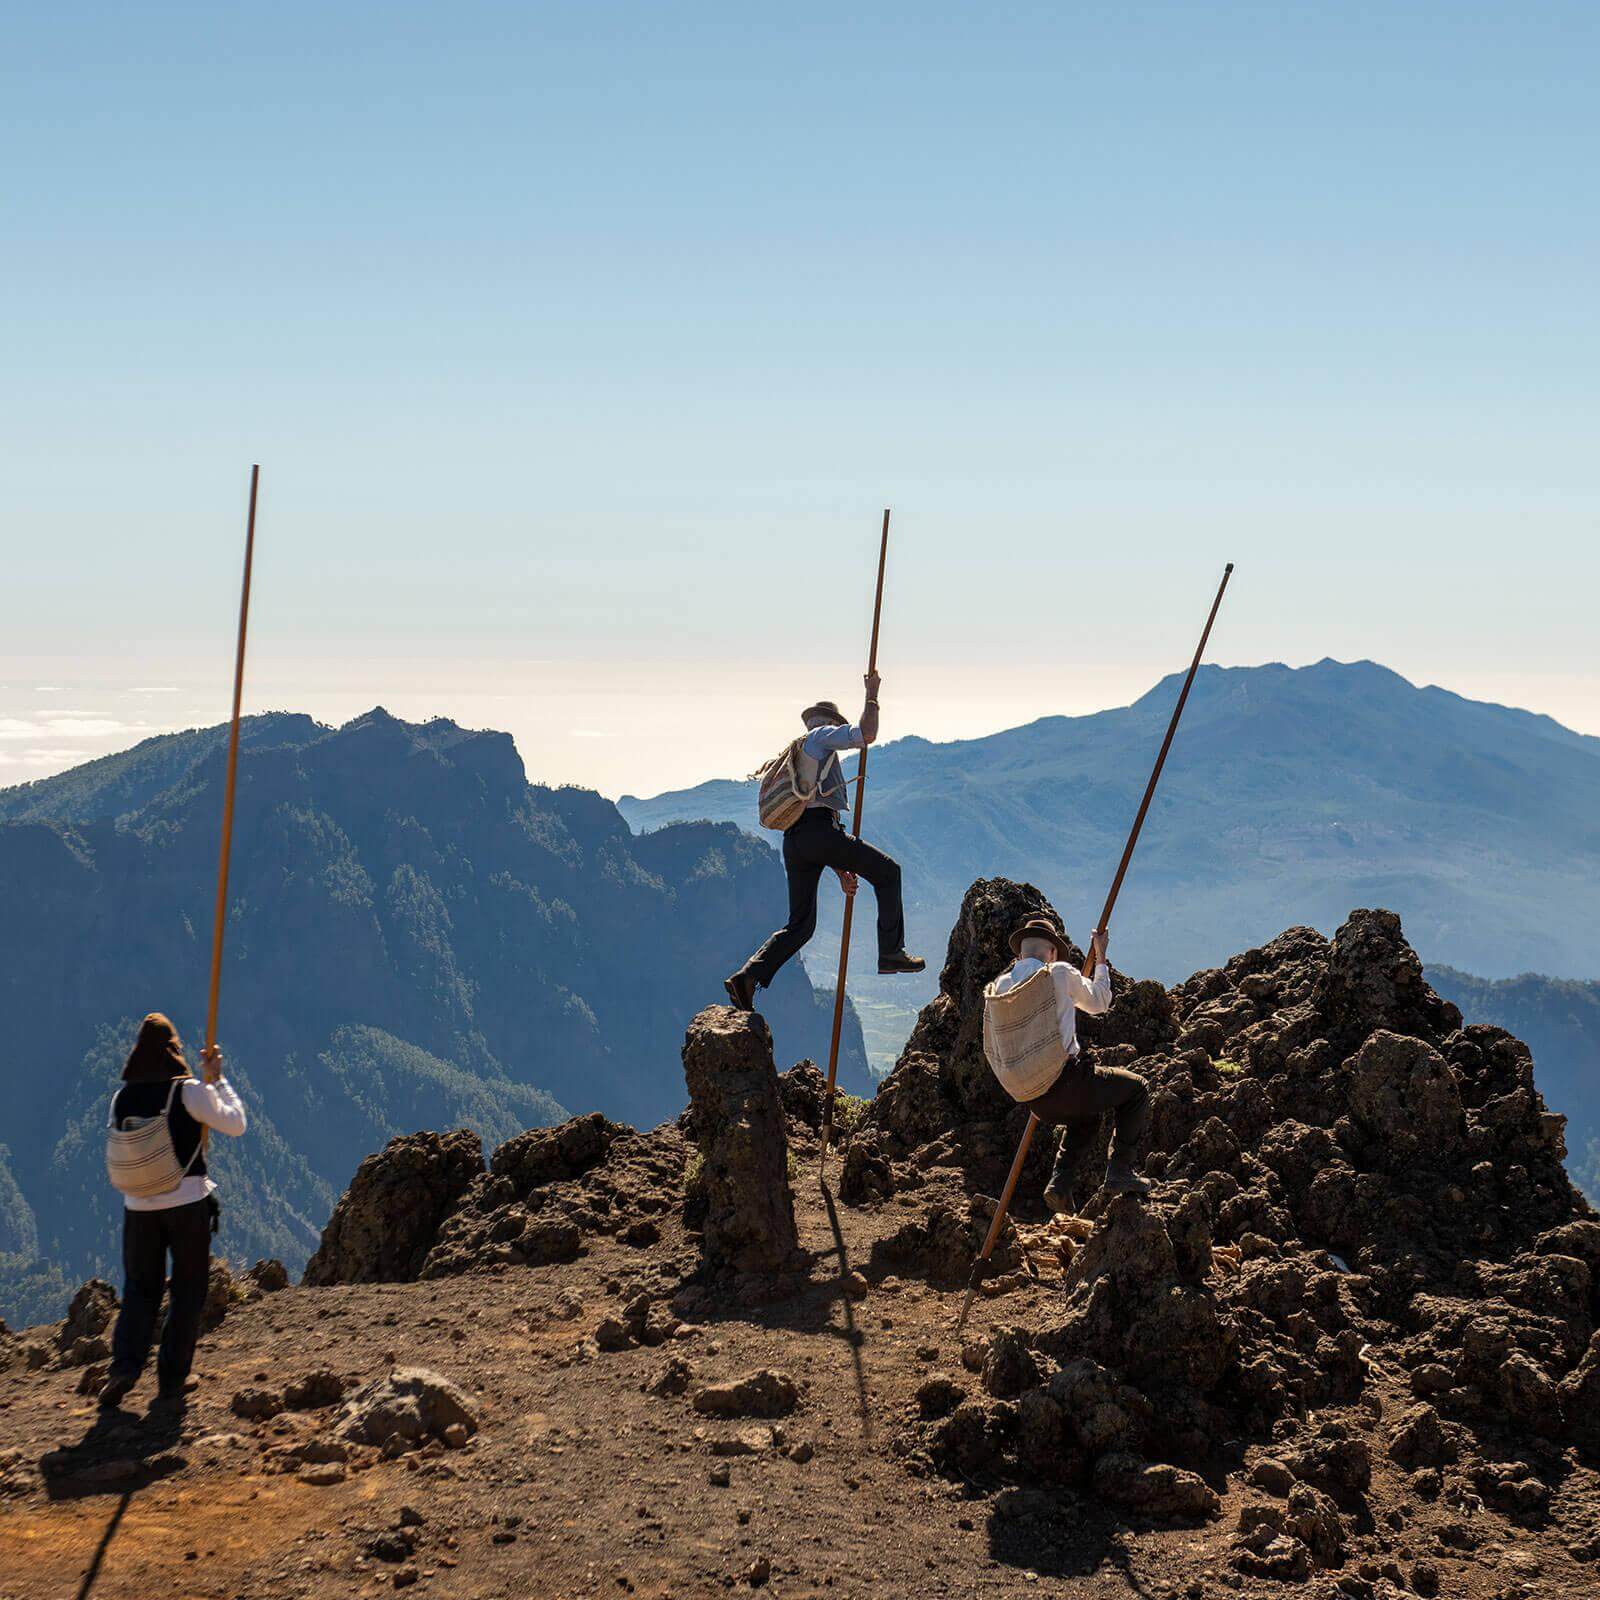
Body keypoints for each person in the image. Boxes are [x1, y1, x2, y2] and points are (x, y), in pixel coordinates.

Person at [725, 671, 924, 1010]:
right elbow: (867, 733)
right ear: (830, 723)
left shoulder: (803, 754)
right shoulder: (821, 739)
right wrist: (872, 694)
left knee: (800, 925)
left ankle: (748, 978)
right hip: (819, 832)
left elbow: (812, 819)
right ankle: (891, 953)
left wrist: (840, 868)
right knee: (888, 873)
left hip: (797, 841)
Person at [100, 1013, 247, 1411]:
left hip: (137, 1207)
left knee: (138, 1290)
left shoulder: (121, 1098)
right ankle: (171, 1380)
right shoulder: (187, 1092)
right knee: (187, 1291)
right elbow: (235, 1124)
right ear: (173, 1052)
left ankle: (124, 1369)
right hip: (186, 1202)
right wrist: (217, 1080)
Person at [991, 917, 1151, 1205]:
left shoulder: (1000, 988)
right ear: (1052, 953)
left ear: (1019, 956)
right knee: (1136, 1089)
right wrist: (1100, 956)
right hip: (1066, 1082)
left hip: (1033, 1100)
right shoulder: (1059, 973)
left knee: (1088, 1117)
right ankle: (1121, 1171)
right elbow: (1100, 1002)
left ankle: (1060, 1184)